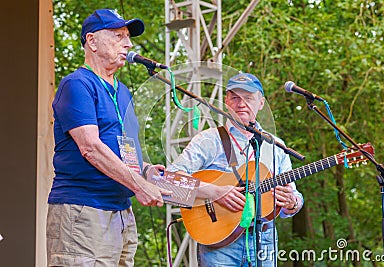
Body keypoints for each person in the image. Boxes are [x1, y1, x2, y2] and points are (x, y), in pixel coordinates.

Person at [46, 9, 171, 266]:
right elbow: (90, 147)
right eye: (118, 36)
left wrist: (145, 171)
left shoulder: (122, 91)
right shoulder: (77, 84)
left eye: (128, 37)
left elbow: (123, 150)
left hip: (121, 211)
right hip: (83, 211)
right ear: (91, 41)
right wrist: (139, 185)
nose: (128, 43)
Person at [168, 73, 304, 266]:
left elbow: (294, 196)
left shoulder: (276, 146)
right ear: (226, 101)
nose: (241, 104)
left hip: (264, 242)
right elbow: (171, 180)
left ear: (261, 103)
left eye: (248, 98)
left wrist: (292, 203)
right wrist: (214, 192)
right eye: (235, 98)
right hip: (219, 243)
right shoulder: (208, 140)